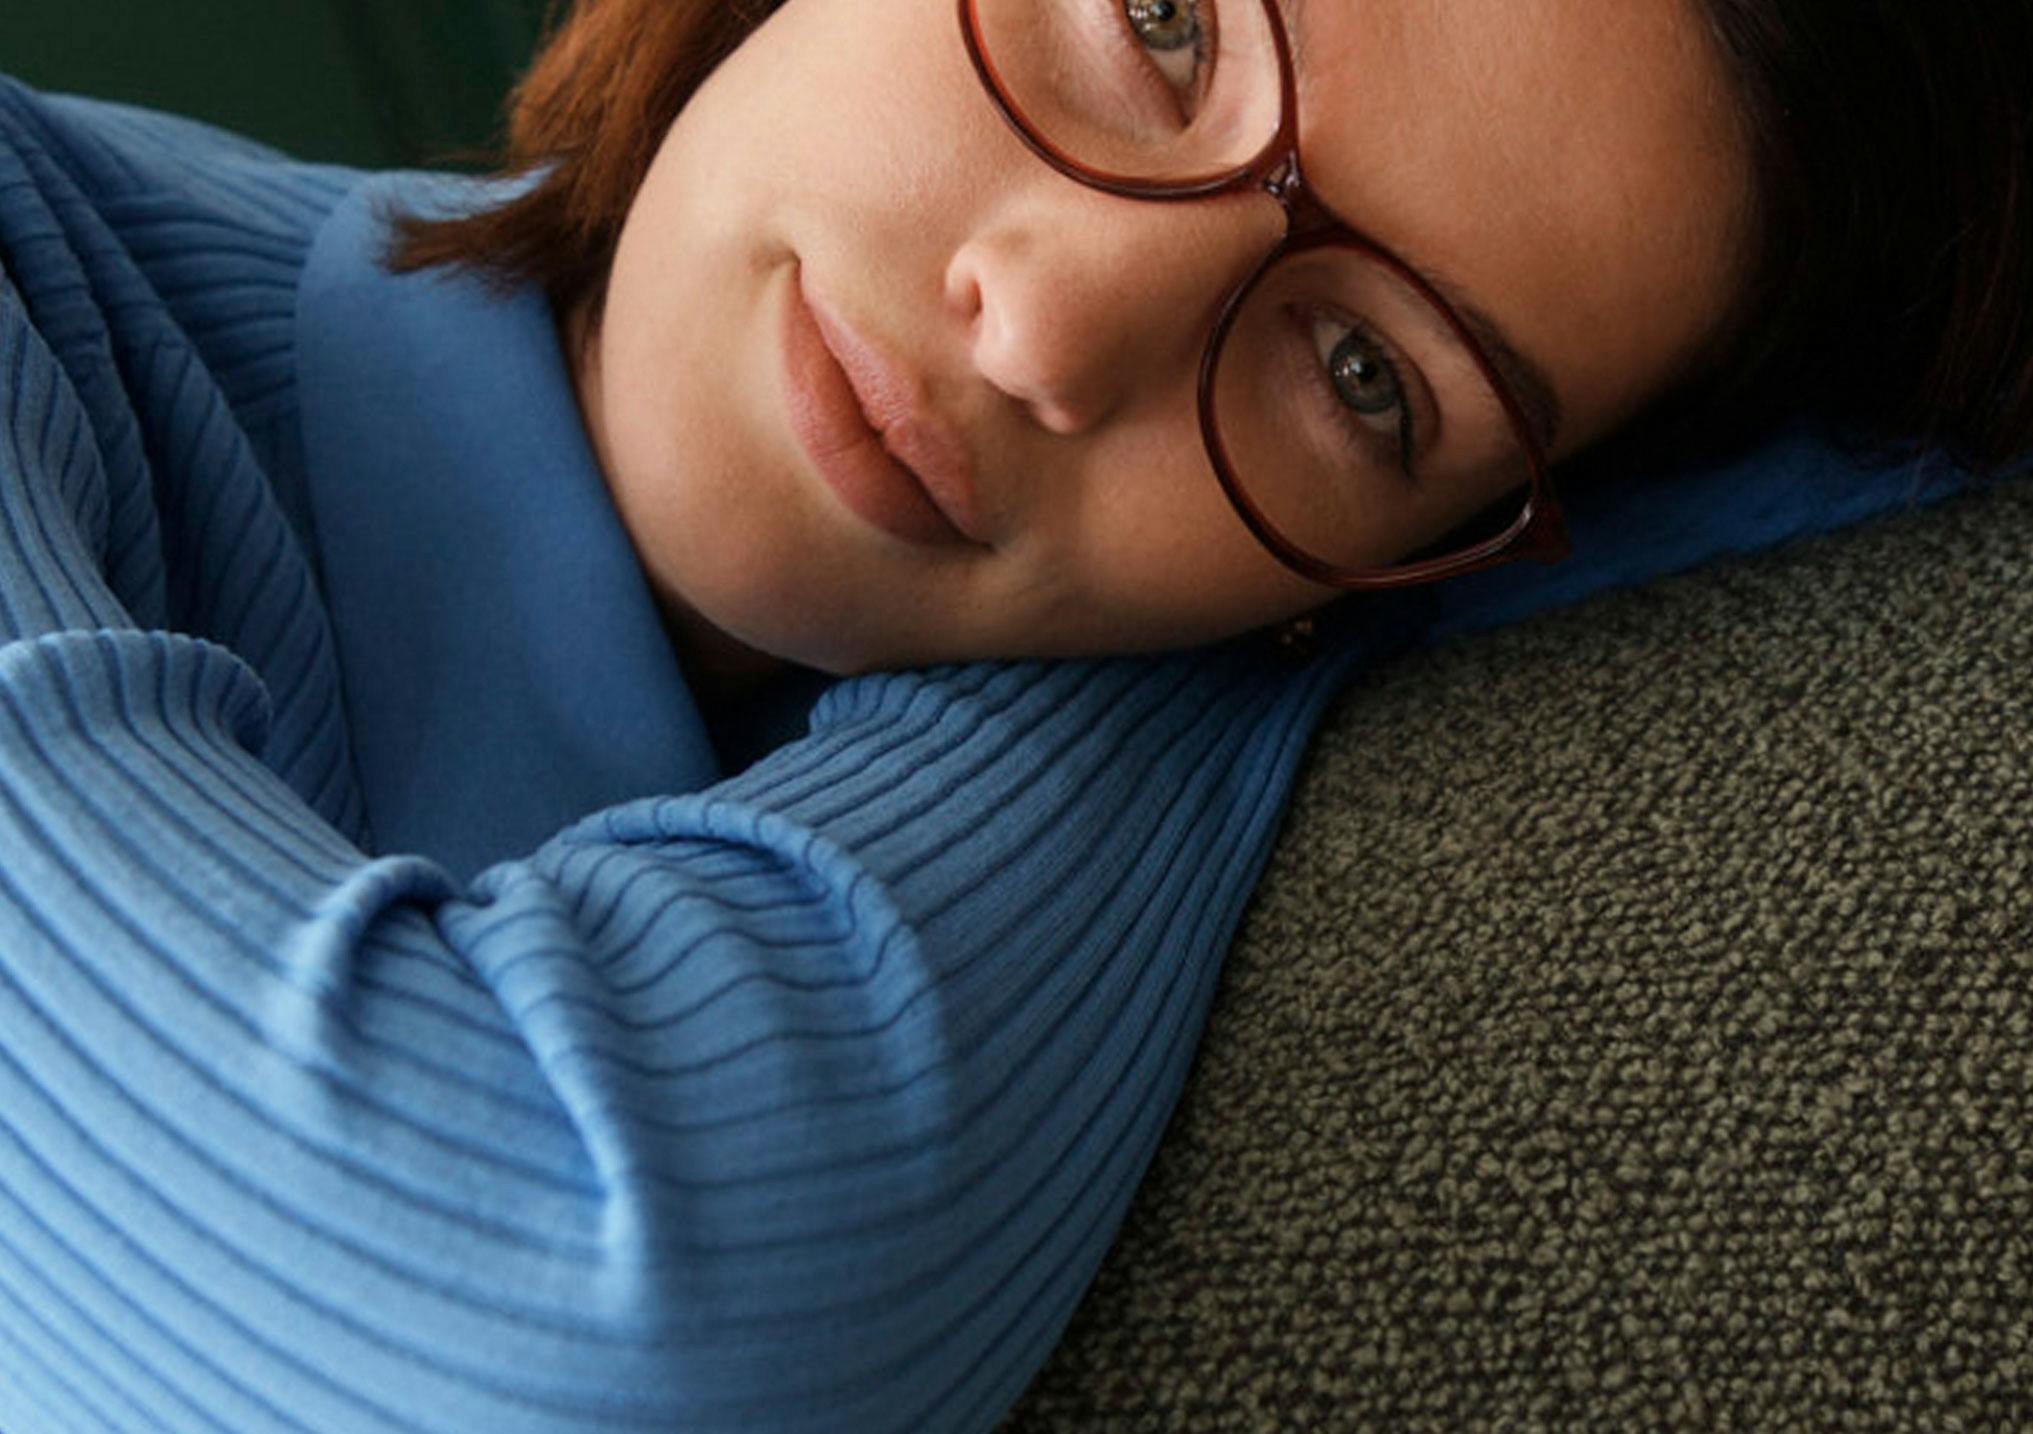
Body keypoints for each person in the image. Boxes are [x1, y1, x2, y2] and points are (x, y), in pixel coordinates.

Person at [0, 2, 2023, 1432]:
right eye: (1161, 24)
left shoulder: (1277, 591)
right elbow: (537, 1328)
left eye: (1368, 378)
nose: (1049, 329)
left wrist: (1253, 629)